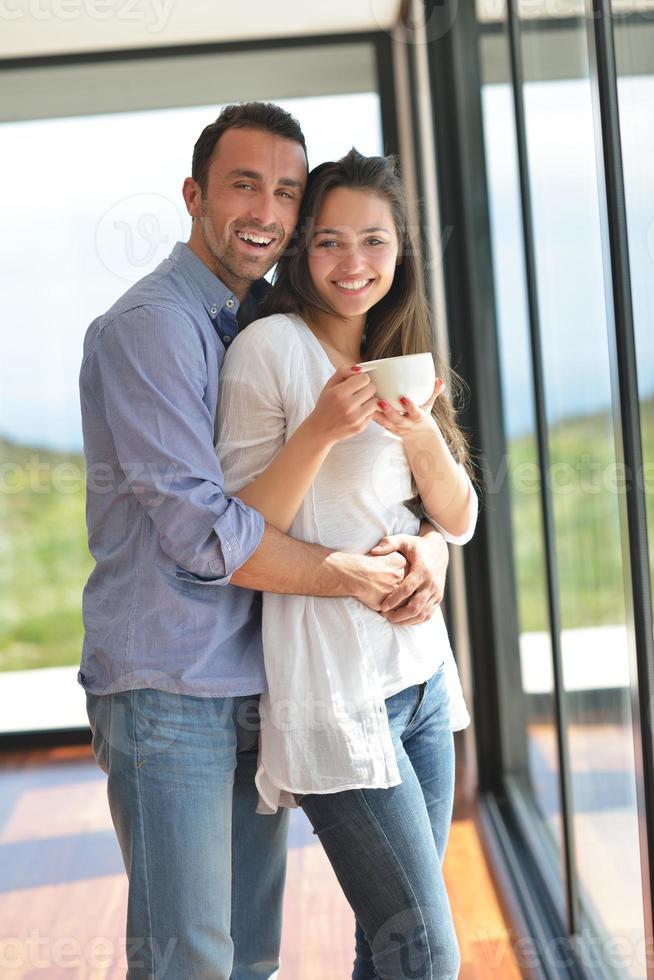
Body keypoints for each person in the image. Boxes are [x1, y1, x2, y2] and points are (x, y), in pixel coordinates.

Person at [79, 103, 453, 980]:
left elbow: (366, 494)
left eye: (286, 191)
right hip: (169, 685)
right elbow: (205, 535)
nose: (266, 210)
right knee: (194, 962)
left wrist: (428, 547)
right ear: (193, 195)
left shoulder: (249, 322)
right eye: (244, 184)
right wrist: (358, 579)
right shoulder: (154, 327)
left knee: (249, 958)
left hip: (256, 672)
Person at [216, 148, 478, 980]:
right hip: (332, 690)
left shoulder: (399, 348)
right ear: (302, 252)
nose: (353, 264)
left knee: (388, 938)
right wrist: (321, 429)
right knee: (427, 948)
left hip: (423, 678)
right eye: (330, 242)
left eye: (375, 242)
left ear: (400, 252)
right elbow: (243, 530)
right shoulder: (270, 349)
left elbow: (459, 517)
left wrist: (428, 523)